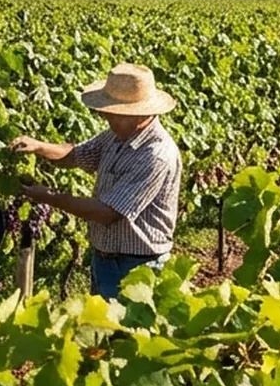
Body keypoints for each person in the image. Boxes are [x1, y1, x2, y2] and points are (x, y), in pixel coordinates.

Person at [9, 62, 182, 299]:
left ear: (140, 114)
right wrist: (39, 146)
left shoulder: (156, 155)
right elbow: (77, 155)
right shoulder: (116, 135)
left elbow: (107, 213)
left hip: (138, 266)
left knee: (131, 334)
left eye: (115, 114)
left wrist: (47, 197)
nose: (108, 118)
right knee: (102, 333)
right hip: (104, 260)